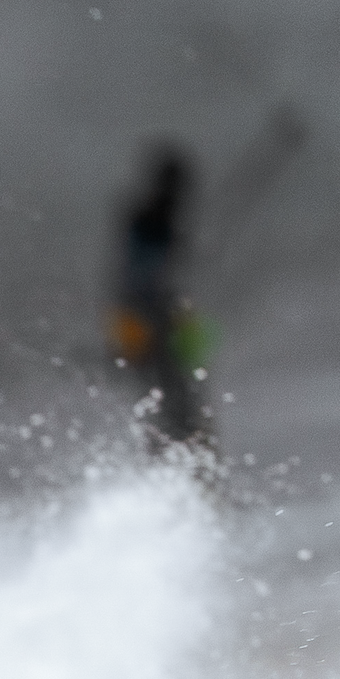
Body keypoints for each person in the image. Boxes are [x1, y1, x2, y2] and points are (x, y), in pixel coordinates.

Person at [109, 141, 210, 450]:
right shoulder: (149, 219)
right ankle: (181, 464)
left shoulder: (155, 219)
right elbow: (139, 280)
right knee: (171, 401)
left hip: (162, 321)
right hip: (151, 320)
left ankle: (186, 463)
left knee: (179, 399)